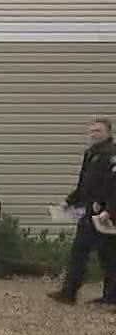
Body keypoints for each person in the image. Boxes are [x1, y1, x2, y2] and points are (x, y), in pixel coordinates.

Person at [50, 117, 116, 306]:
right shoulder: (90, 154)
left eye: (98, 131)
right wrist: (68, 202)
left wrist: (109, 211)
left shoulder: (112, 154)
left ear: (108, 133)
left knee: (109, 257)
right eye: (92, 131)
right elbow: (84, 186)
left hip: (105, 215)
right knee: (79, 252)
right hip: (88, 213)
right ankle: (68, 293)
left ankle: (111, 297)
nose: (94, 134)